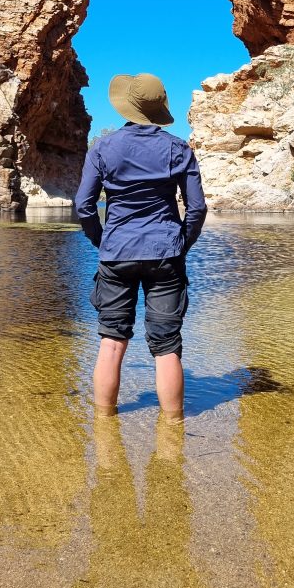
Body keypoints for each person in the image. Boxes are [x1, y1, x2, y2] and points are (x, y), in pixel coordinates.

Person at [74, 72, 207, 419]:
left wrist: (102, 241)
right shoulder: (178, 149)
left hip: (117, 253)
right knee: (166, 347)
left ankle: (104, 424)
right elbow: (197, 208)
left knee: (112, 340)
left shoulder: (103, 148)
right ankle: (174, 428)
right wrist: (182, 244)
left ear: (128, 107)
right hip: (165, 254)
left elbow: (84, 207)